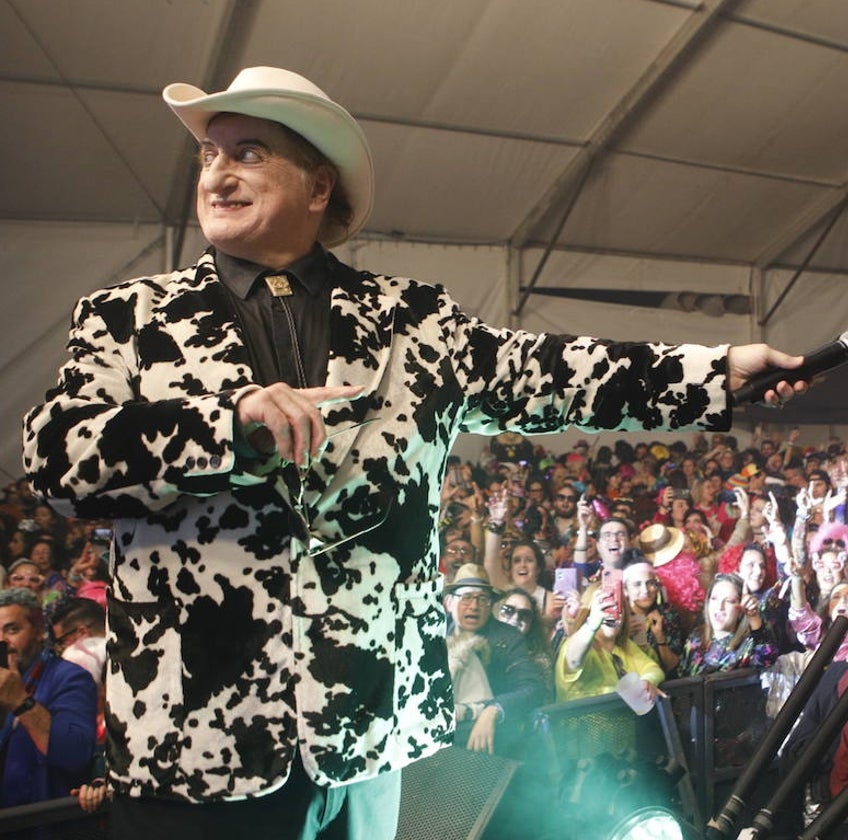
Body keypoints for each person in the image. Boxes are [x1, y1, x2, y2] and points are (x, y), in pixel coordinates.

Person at [21, 66, 806, 838]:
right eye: (208, 155)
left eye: (248, 151)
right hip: (191, 748)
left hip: (367, 739)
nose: (217, 174)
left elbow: (554, 374)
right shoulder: (131, 319)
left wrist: (711, 374)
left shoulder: (413, 323)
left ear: (319, 186)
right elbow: (56, 456)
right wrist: (224, 427)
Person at [0, 588, 97, 807]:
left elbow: (75, 755)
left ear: (38, 631)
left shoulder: (70, 677)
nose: (1, 641)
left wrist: (19, 700)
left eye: (12, 629)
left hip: (40, 821)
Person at [443, 565, 547, 757]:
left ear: (491, 605)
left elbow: (533, 688)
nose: (474, 606)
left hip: (489, 741)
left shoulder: (508, 638)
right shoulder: (432, 633)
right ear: (449, 603)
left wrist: (494, 709)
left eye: (482, 599)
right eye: (466, 597)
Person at [555, 582, 665, 704]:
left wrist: (647, 682)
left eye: (618, 607)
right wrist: (592, 624)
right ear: (590, 612)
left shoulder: (624, 646)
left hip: (628, 721)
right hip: (586, 722)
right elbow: (574, 660)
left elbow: (653, 669)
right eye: (605, 608)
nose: (612, 614)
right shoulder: (575, 645)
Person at [680, 573, 778, 675]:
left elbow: (768, 658)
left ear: (740, 610)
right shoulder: (696, 636)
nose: (720, 606)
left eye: (729, 601)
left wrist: (753, 617)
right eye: (714, 598)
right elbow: (680, 676)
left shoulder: (747, 645)